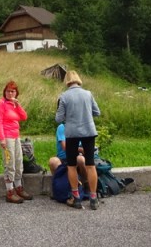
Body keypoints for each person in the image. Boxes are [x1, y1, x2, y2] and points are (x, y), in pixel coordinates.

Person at [55, 70, 101, 210]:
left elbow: (58, 119)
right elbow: (97, 112)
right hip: (88, 132)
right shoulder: (88, 94)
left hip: (72, 134)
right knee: (90, 165)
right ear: (78, 79)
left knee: (71, 166)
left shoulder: (64, 96)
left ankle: (76, 198)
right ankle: (93, 198)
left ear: (67, 81)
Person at [0, 80, 33, 203]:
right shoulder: (1, 103)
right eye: (8, 91)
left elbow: (24, 117)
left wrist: (18, 105)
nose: (10, 94)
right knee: (9, 162)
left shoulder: (14, 104)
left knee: (18, 161)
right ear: (4, 92)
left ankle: (19, 187)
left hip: (16, 136)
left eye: (12, 91)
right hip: (7, 137)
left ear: (16, 93)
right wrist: (2, 139)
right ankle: (10, 191)